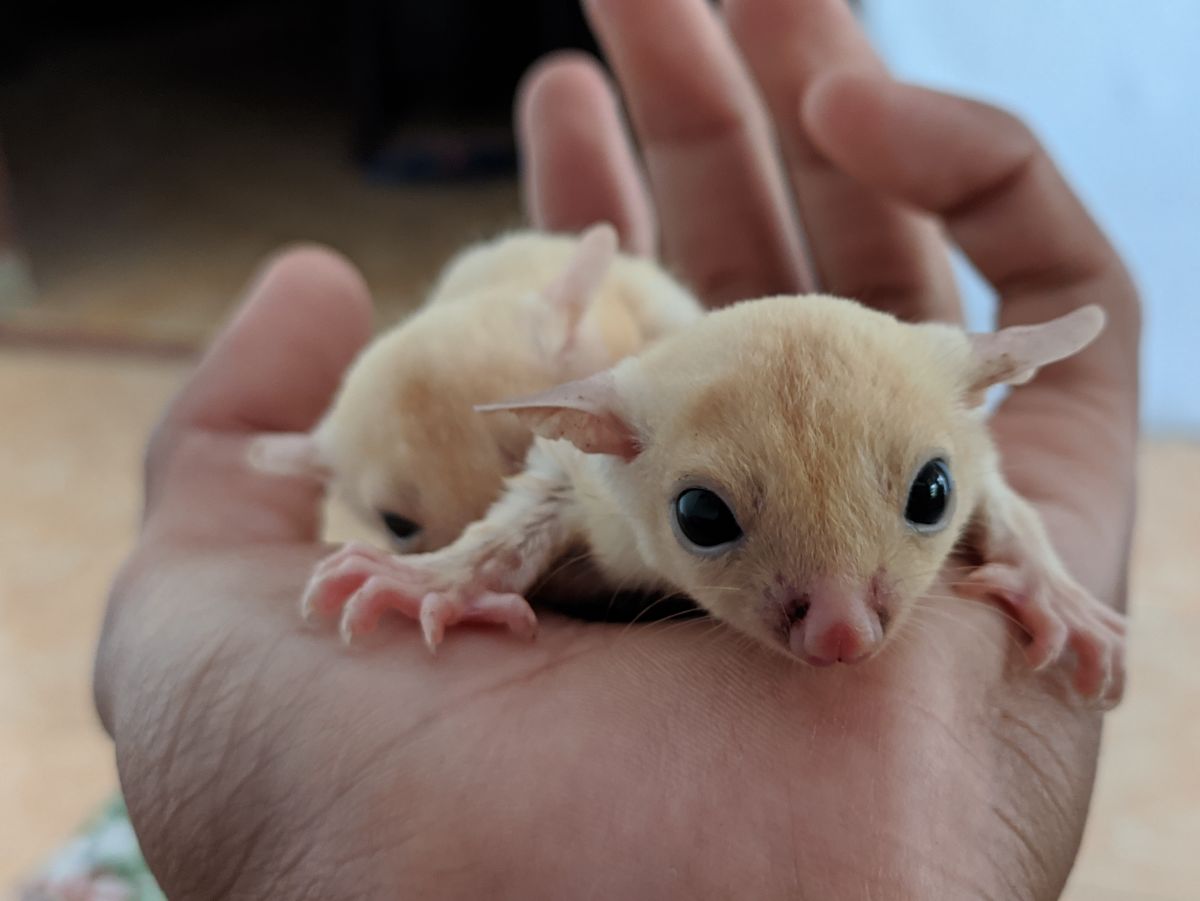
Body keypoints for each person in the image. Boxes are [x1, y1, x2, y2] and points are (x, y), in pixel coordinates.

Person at [93, 0, 1139, 896]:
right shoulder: (609, 449)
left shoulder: (926, 417)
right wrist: (459, 567)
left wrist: (1042, 573)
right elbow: (553, 487)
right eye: (710, 515)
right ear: (614, 442)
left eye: (922, 497)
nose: (842, 633)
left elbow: (982, 477)